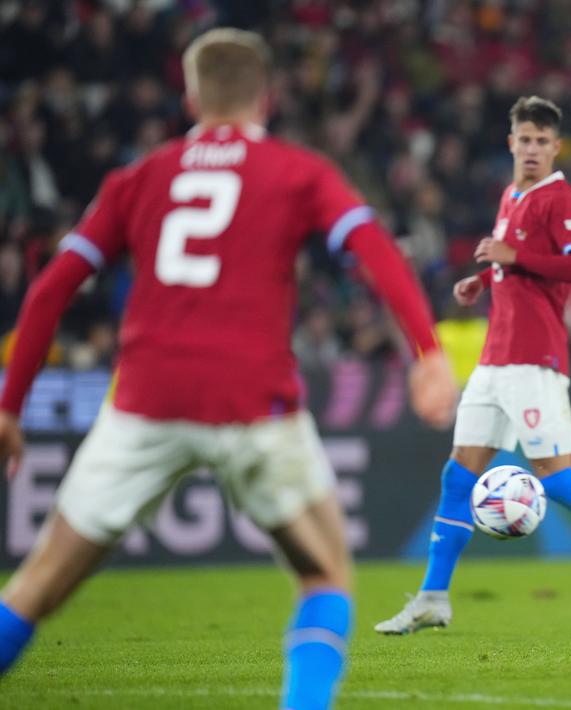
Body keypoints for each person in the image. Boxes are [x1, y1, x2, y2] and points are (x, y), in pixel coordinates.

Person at [0, 29, 458, 710]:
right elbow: (374, 250)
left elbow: (49, 289)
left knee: (34, 587)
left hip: (145, 405)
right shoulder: (298, 171)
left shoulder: (139, 177)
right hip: (254, 404)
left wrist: (9, 407)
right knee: (325, 574)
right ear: (266, 99)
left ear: (190, 95)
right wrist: (426, 351)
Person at [374, 96, 571, 635]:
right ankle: (433, 598)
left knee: (557, 479)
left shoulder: (560, 197)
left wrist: (512, 259)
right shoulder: (511, 194)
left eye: (541, 142)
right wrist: (483, 280)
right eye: (523, 139)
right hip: (494, 360)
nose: (531, 149)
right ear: (511, 143)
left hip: (534, 360)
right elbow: (515, 267)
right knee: (457, 475)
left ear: (555, 147)